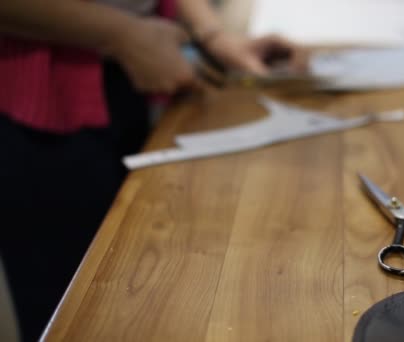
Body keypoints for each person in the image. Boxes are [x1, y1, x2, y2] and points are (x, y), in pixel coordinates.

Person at [0, 1, 304, 341]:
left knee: (131, 298)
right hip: (39, 107)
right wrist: (122, 35)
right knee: (68, 315)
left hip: (124, 73)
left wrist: (213, 36)